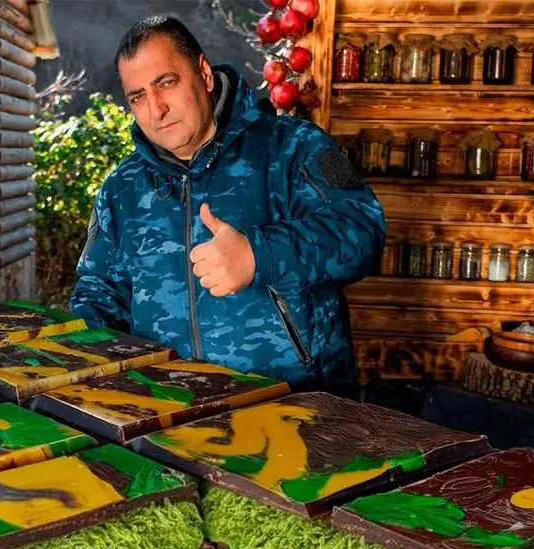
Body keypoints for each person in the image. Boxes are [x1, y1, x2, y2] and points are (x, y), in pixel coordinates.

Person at [70, 15, 386, 397]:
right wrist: (83, 363)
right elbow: (100, 292)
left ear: (203, 74)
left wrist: (258, 254)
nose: (156, 109)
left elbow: (363, 230)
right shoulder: (122, 188)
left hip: (297, 403)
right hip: (170, 409)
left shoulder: (292, 146)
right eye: (138, 96)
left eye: (166, 83)